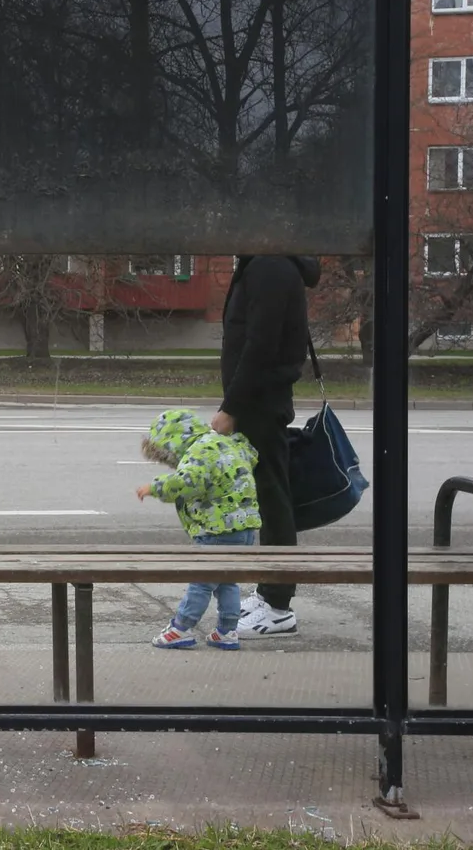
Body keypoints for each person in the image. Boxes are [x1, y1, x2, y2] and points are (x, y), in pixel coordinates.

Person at [212, 255, 321, 639]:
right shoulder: (263, 263)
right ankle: (269, 591)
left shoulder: (270, 265)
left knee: (273, 501)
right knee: (268, 499)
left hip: (259, 402)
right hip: (258, 400)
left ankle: (278, 605)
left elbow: (261, 345)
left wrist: (232, 407)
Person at [136, 408, 261, 651]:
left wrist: (154, 487)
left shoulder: (199, 452)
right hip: (244, 527)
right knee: (227, 580)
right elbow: (248, 455)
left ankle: (181, 628)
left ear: (174, 440)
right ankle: (226, 631)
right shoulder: (223, 444)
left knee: (202, 580)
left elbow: (186, 483)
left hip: (218, 529)